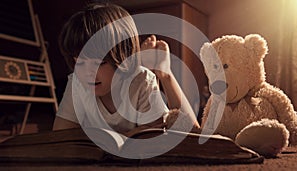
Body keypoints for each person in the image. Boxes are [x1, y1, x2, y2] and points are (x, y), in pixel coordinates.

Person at [52, 2, 199, 135]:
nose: (88, 73)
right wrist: (128, 135)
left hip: (136, 78)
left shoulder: (142, 80)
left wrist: (163, 75)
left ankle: (164, 72)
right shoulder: (77, 81)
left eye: (100, 63)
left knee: (189, 135)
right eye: (79, 62)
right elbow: (61, 135)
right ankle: (142, 62)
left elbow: (154, 135)